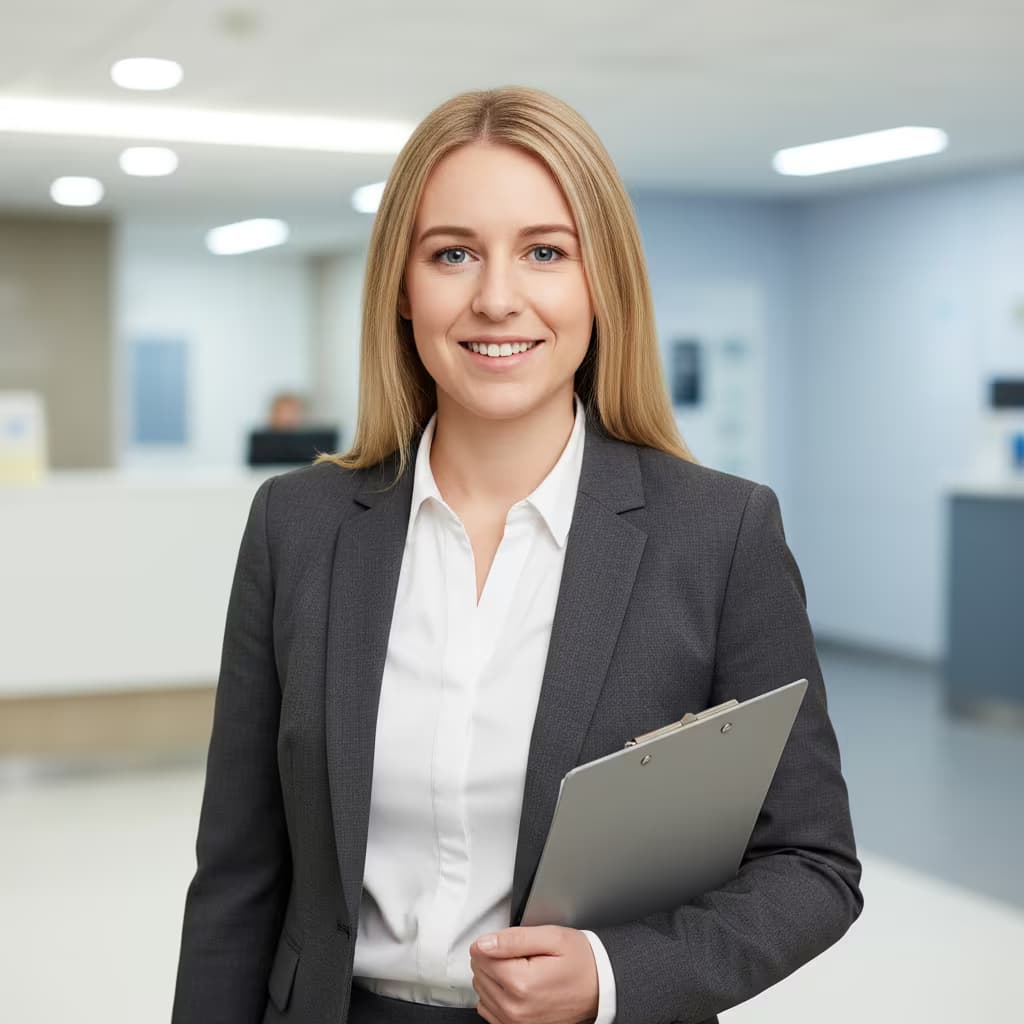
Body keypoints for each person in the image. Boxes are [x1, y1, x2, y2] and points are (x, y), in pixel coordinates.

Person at [172, 86, 863, 1024]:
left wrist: (614, 975)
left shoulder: (718, 534)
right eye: (453, 253)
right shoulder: (299, 526)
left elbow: (811, 864)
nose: (497, 298)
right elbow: (238, 879)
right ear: (403, 292)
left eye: (545, 251)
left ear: (599, 284)